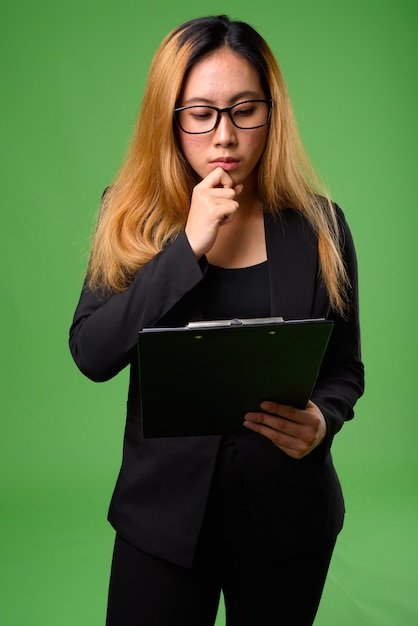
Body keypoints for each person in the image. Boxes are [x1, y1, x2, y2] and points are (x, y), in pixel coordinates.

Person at [69, 15, 364, 626]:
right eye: (200, 113)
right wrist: (187, 246)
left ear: (270, 114)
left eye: (243, 109)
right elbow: (93, 353)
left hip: (289, 522)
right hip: (163, 524)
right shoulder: (128, 216)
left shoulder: (321, 227)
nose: (224, 135)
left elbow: (344, 369)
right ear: (170, 119)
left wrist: (322, 421)